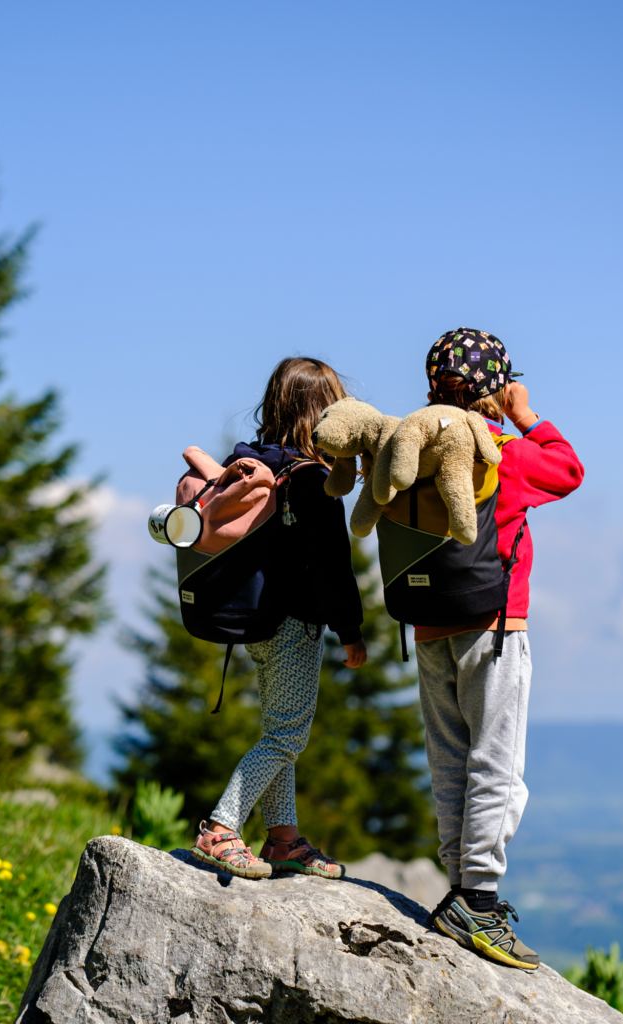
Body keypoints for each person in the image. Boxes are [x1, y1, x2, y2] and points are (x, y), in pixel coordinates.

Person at [417, 329, 584, 969]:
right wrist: (528, 415)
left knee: (450, 760)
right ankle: (478, 901)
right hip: (493, 624)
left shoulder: (420, 441)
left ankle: (461, 889)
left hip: (428, 622)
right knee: (498, 765)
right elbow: (569, 469)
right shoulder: (504, 451)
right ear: (497, 384)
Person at [190, 357, 367, 880]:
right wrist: (350, 631)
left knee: (277, 728)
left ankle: (283, 839)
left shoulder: (248, 464)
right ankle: (221, 827)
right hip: (294, 623)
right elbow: (332, 565)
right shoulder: (313, 480)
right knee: (287, 736)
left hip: (255, 619)